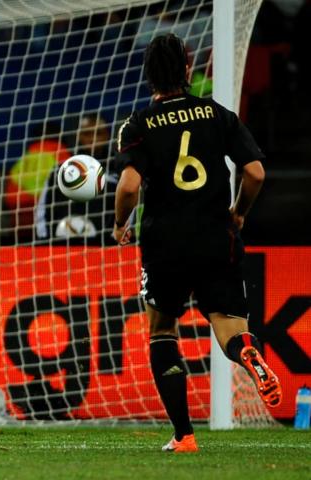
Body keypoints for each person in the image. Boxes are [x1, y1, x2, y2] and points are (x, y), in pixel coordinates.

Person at [113, 34, 281, 453]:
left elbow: (129, 186)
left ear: (149, 75)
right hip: (216, 237)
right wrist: (239, 212)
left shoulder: (138, 124)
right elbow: (256, 172)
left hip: (165, 243)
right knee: (230, 328)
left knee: (162, 333)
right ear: (188, 70)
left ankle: (184, 435)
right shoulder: (217, 114)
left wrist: (119, 224)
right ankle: (248, 354)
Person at [35, 113, 118, 243]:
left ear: (107, 135)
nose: (93, 138)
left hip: (105, 244)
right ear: (79, 136)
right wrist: (44, 239)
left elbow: (128, 206)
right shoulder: (61, 170)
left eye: (98, 133)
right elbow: (43, 208)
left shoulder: (118, 170)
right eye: (87, 134)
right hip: (62, 243)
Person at [4, 121, 71, 242]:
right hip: (43, 213)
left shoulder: (27, 156)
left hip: (18, 214)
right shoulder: (60, 153)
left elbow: (11, 187)